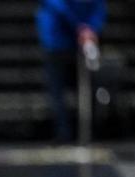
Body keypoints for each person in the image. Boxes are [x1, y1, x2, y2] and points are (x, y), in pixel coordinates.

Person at [36, 0, 107, 143]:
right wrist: (80, 27)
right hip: (56, 39)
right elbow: (56, 5)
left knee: (87, 86)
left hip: (82, 39)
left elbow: (99, 7)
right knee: (57, 90)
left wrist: (91, 28)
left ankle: (88, 130)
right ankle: (63, 132)